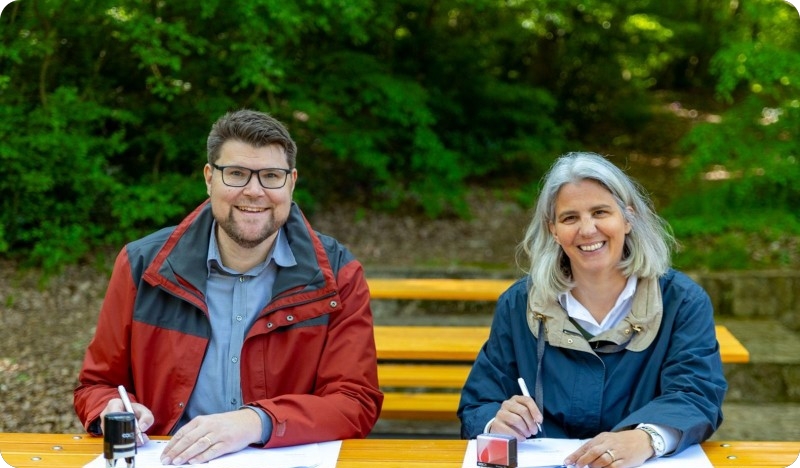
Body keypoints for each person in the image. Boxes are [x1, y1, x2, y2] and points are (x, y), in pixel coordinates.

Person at [74, 109, 383, 465]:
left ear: (291, 182)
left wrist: (257, 422)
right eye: (236, 174)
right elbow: (95, 386)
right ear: (209, 178)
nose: (254, 192)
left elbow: (354, 401)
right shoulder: (143, 266)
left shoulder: (337, 274)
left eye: (271, 176)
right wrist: (111, 408)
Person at [458, 152, 727, 467]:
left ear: (628, 219)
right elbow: (478, 404)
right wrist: (496, 424)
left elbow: (696, 394)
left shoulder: (681, 302)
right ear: (554, 230)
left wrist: (646, 439)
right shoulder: (520, 305)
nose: (587, 230)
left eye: (600, 212)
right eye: (570, 218)